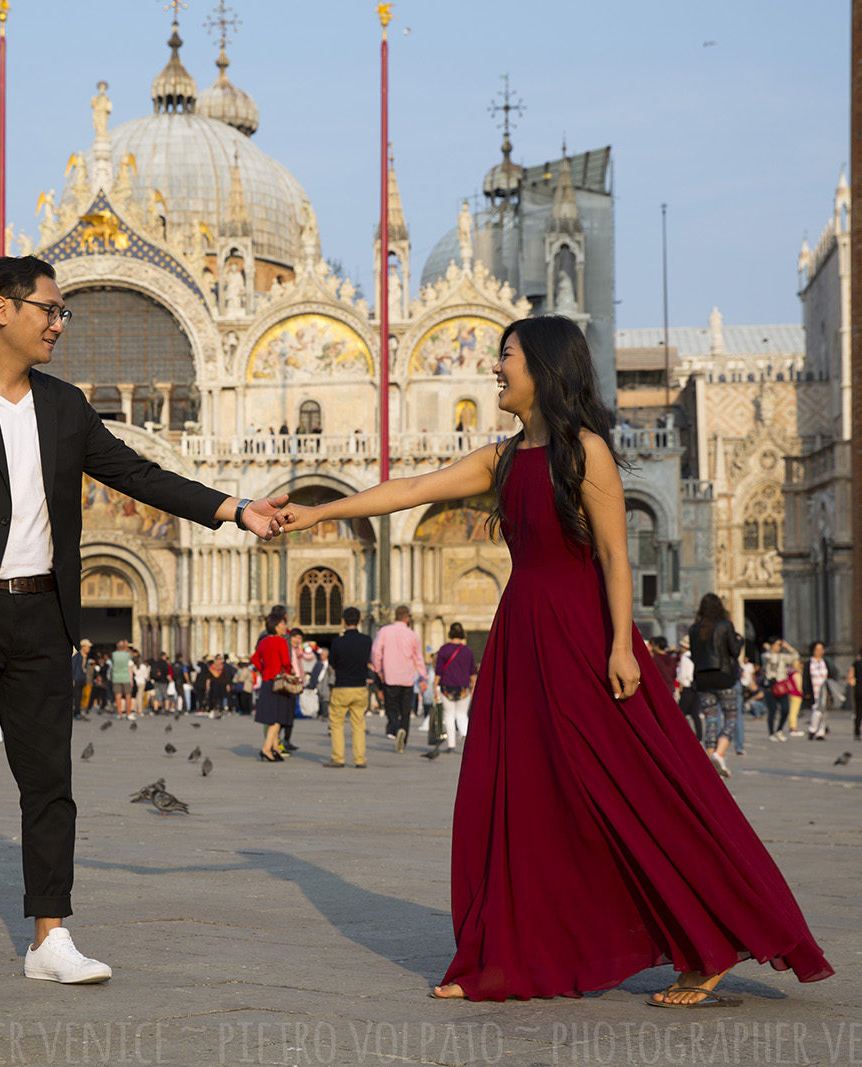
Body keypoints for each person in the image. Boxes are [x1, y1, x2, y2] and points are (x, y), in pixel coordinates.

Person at [273, 314, 831, 1003]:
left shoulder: (586, 450)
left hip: (584, 637)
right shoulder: (501, 459)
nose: (495, 369)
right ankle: (504, 956)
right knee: (518, 794)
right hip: (521, 639)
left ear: (541, 366)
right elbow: (412, 489)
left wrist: (623, 644)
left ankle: (710, 940)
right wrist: (315, 512)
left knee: (643, 792)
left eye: (504, 356)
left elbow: (614, 554)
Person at [0, 255, 285, 985]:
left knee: (50, 783)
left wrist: (233, 508)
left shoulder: (65, 406)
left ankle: (50, 934)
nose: (59, 323)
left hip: (43, 615)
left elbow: (139, 474)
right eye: (50, 308)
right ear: (2, 310)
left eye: (63, 312)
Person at [687, 594, 743, 778]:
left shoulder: (694, 629)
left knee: (711, 719)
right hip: (723, 677)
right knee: (731, 718)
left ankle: (710, 759)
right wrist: (740, 640)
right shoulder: (725, 625)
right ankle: (719, 754)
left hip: (703, 679)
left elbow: (694, 657)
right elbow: (734, 652)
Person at [371, 605, 424, 753]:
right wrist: (423, 677)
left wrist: (378, 668)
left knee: (391, 708)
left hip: (390, 677)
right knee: (406, 710)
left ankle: (397, 727)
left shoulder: (384, 631)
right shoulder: (412, 635)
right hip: (407, 678)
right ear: (407, 618)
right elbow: (418, 658)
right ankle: (403, 742)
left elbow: (375, 651)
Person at [325, 607, 373, 768]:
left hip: (342, 687)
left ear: (343, 622)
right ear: (359, 621)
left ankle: (338, 758)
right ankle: (360, 759)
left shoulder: (338, 642)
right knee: (359, 724)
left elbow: (333, 662)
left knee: (337, 723)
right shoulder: (367, 640)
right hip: (360, 687)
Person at [250, 611, 294, 762]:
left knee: (272, 717)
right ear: (276, 626)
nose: (285, 627)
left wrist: (263, 670)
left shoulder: (263, 641)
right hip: (279, 683)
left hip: (267, 682)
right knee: (278, 719)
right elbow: (286, 662)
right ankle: (266, 748)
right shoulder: (281, 641)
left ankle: (275, 748)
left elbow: (254, 659)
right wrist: (288, 673)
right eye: (283, 624)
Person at [434, 623, 476, 753]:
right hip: (463, 687)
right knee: (462, 714)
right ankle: (465, 734)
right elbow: (472, 671)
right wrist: (473, 686)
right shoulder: (467, 650)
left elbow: (439, 670)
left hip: (447, 687)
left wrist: (435, 685)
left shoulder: (444, 649)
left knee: (449, 715)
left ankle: (451, 744)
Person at [800, 641, 834, 741]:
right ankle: (812, 729)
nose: (820, 651)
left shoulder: (826, 662)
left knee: (824, 712)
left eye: (821, 649)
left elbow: (831, 675)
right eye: (817, 649)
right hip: (814, 690)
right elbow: (805, 678)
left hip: (825, 690)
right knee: (817, 711)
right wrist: (806, 692)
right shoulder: (809, 663)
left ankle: (820, 732)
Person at [109, 639, 134, 718]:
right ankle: (128, 713)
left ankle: (119, 713)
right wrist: (131, 679)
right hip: (126, 677)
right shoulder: (128, 655)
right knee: (128, 696)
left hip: (116, 677)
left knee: (118, 696)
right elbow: (130, 668)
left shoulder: (113, 654)